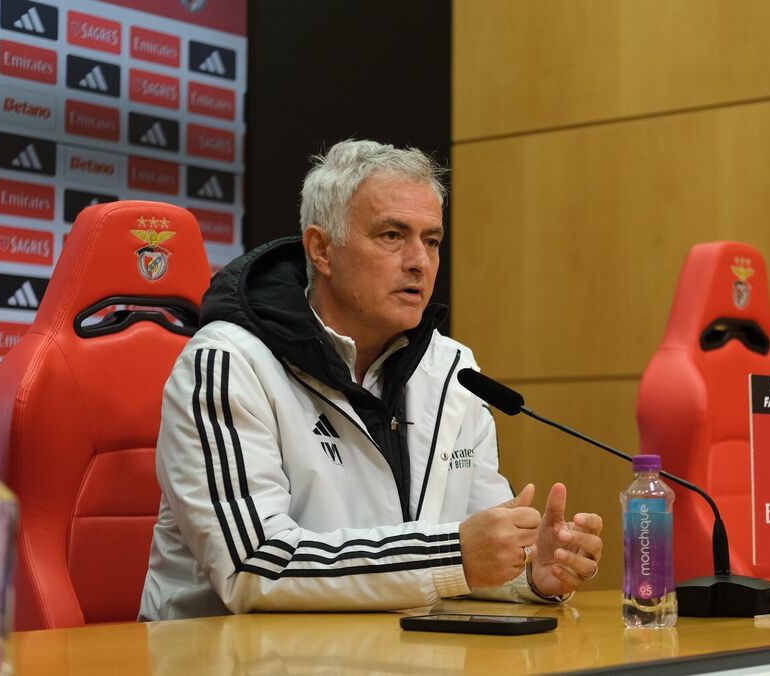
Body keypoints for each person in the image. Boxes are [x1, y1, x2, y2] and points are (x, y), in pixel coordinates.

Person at [139, 140, 603, 620]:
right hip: (221, 651)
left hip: (382, 649)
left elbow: (477, 549)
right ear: (322, 249)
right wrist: (451, 555)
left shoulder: (453, 371)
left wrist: (530, 571)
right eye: (391, 235)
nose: (419, 261)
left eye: (432, 240)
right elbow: (254, 566)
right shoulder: (229, 362)